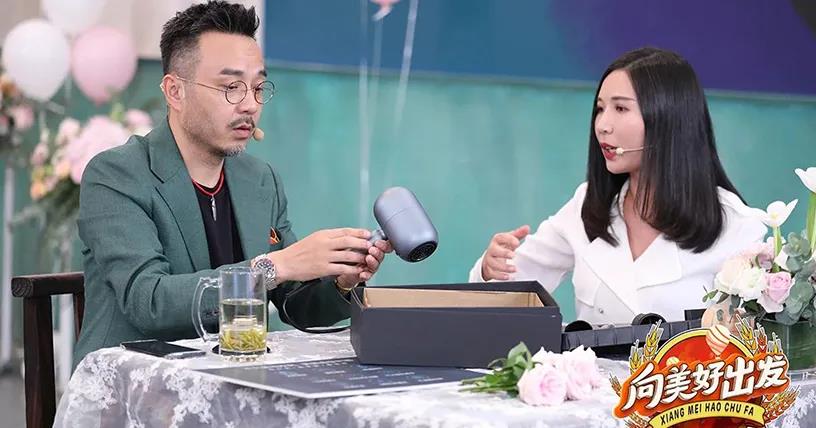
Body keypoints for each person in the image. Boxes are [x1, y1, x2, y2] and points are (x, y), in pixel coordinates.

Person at [73, 1, 391, 366]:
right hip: (133, 379)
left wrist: (341, 281)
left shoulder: (260, 180)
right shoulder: (116, 174)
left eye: (258, 87)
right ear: (175, 92)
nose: (250, 105)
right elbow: (150, 301)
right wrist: (275, 266)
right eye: (231, 87)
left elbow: (293, 305)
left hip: (232, 372)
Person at [469, 47, 766, 324]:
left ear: (668, 117)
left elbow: (757, 341)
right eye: (600, 109)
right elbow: (506, 292)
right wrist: (491, 267)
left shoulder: (735, 224)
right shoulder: (588, 204)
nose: (602, 125)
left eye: (621, 109)